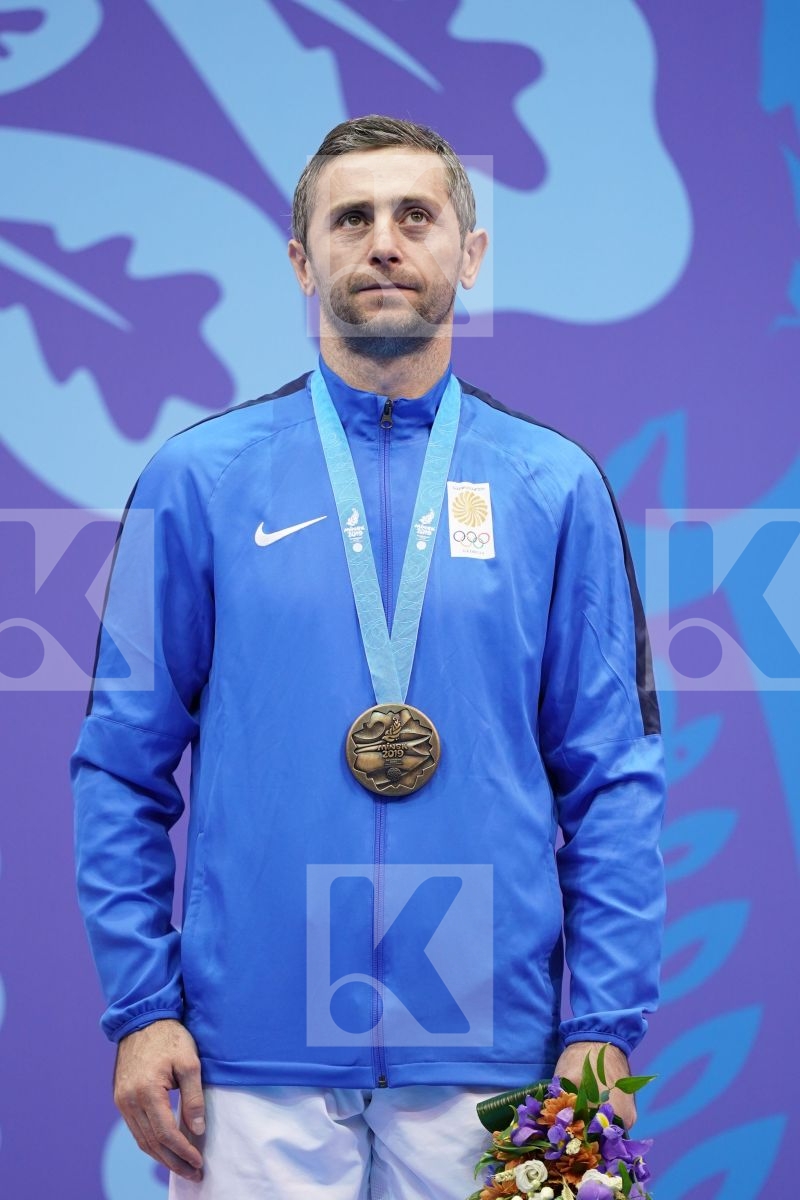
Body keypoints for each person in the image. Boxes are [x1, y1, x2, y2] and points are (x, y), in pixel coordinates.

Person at [71, 115, 666, 1199]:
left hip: (494, 1059)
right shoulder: (198, 480)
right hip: (250, 1062)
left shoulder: (553, 486)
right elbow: (118, 766)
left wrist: (602, 1022)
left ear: (467, 255)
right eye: (350, 218)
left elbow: (613, 774)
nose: (382, 242)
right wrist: (143, 1007)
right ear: (303, 260)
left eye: (414, 216)